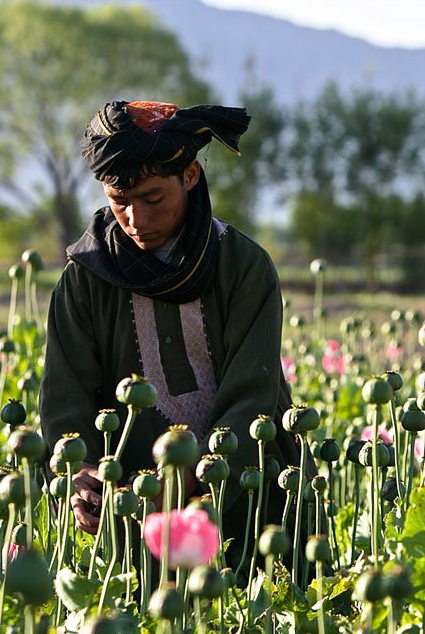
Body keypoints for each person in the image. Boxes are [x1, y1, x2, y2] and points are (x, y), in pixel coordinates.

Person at [39, 99, 306, 570]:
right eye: (119, 202)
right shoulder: (84, 279)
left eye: (153, 199)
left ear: (190, 176)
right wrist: (77, 473)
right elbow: (65, 399)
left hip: (246, 501)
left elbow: (252, 395)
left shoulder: (244, 266)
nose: (136, 220)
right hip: (129, 514)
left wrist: (194, 479)